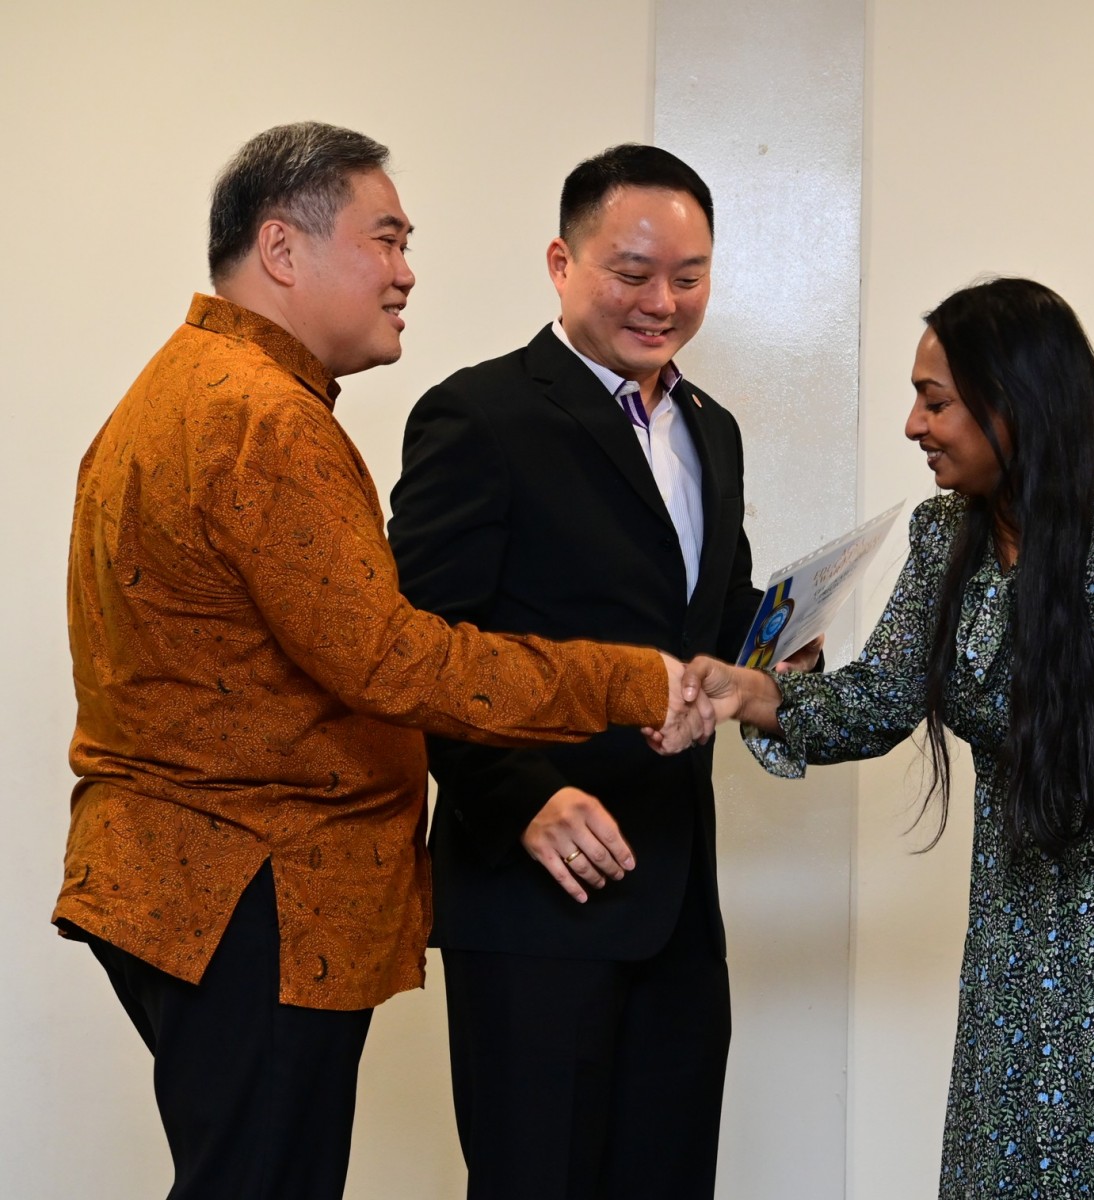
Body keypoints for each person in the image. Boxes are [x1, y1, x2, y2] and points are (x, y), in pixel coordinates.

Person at [54, 122, 708, 1200]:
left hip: (181, 884)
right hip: (252, 885)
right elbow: (394, 661)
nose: (407, 273)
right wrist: (638, 681)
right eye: (387, 240)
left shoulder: (180, 386)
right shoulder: (262, 418)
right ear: (282, 249)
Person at [682, 277, 1094, 1197]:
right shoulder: (947, 535)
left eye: (935, 401)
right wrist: (750, 692)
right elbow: (881, 698)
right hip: (1024, 950)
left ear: (1013, 406)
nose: (914, 425)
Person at [387, 143, 805, 1200]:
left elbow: (709, 612)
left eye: (689, 277)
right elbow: (414, 650)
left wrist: (775, 654)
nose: (663, 303)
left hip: (678, 897)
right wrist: (516, 799)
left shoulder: (713, 429)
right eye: (633, 273)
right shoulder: (478, 415)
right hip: (537, 892)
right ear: (561, 264)